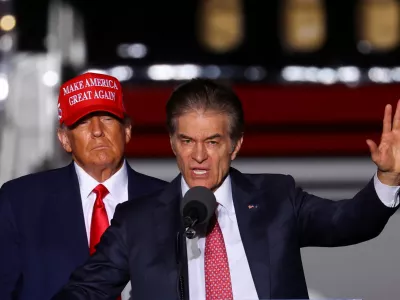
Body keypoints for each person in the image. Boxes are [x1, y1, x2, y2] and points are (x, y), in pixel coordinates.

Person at [52, 78, 400, 300]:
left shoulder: (276, 198)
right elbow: (84, 291)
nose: (199, 155)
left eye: (213, 142)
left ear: (235, 146)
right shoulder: (137, 221)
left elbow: (350, 221)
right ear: (173, 143)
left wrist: (388, 178)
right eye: (187, 140)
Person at [0, 72, 167, 300]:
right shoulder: (19, 203)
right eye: (83, 121)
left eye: (108, 118)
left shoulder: (168, 201)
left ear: (127, 130)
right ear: (64, 139)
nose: (97, 131)